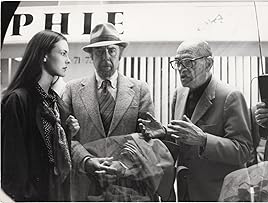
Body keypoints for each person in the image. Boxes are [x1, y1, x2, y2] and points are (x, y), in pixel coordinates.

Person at [139, 40, 253, 201]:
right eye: (177, 63)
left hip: (221, 194)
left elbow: (243, 150)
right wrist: (165, 133)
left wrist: (204, 140)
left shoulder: (230, 96)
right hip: (186, 192)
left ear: (208, 64)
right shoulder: (179, 95)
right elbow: (183, 141)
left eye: (188, 62)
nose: (180, 69)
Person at [62, 23, 156, 201]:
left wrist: (122, 165)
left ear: (120, 53)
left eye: (111, 51)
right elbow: (65, 137)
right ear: (90, 56)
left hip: (127, 187)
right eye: (99, 52)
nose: (106, 57)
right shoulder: (72, 89)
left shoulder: (140, 89)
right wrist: (86, 161)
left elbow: (148, 138)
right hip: (85, 186)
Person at [1, 30, 80, 201]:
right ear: (44, 55)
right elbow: (12, 166)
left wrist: (67, 133)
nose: (68, 60)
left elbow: (55, 158)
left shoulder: (57, 104)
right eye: (63, 53)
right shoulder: (18, 100)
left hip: (57, 194)